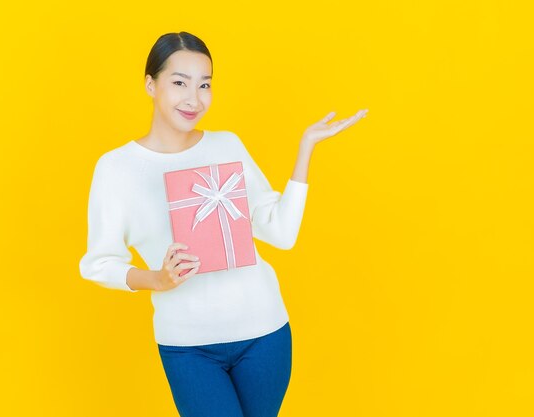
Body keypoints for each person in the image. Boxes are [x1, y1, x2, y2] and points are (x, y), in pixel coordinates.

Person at [79, 31, 368, 417]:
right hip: (188, 345)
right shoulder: (116, 169)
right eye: (179, 83)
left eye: (205, 85)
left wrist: (305, 150)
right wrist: (156, 279)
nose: (193, 99)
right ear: (151, 84)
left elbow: (280, 233)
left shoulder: (226, 146)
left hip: (264, 333)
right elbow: (99, 262)